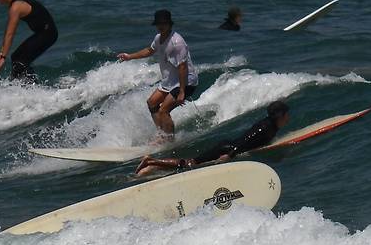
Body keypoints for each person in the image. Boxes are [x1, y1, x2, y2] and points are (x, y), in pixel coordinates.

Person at [135, 101, 290, 176]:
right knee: (191, 164)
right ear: (280, 116)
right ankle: (151, 161)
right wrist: (230, 155)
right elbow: (247, 139)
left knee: (192, 162)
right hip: (227, 149)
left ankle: (154, 166)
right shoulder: (265, 127)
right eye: (286, 114)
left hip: (228, 147)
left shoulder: (270, 124)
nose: (288, 117)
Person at [117, 9, 198, 139]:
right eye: (158, 24)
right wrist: (129, 56)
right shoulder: (158, 38)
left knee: (163, 110)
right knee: (152, 103)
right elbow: (150, 50)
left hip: (186, 82)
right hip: (170, 81)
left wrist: (182, 91)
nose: (160, 26)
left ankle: (170, 140)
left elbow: (183, 67)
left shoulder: (177, 43)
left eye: (164, 23)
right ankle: (162, 135)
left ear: (170, 24)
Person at [0, 0, 58, 80]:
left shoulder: (16, 7)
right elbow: (8, 33)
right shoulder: (16, 1)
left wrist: (3, 57)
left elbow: (10, 34)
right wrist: (1, 53)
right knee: (16, 57)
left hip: (48, 33)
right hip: (44, 32)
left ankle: (31, 88)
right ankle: (22, 87)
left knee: (20, 60)